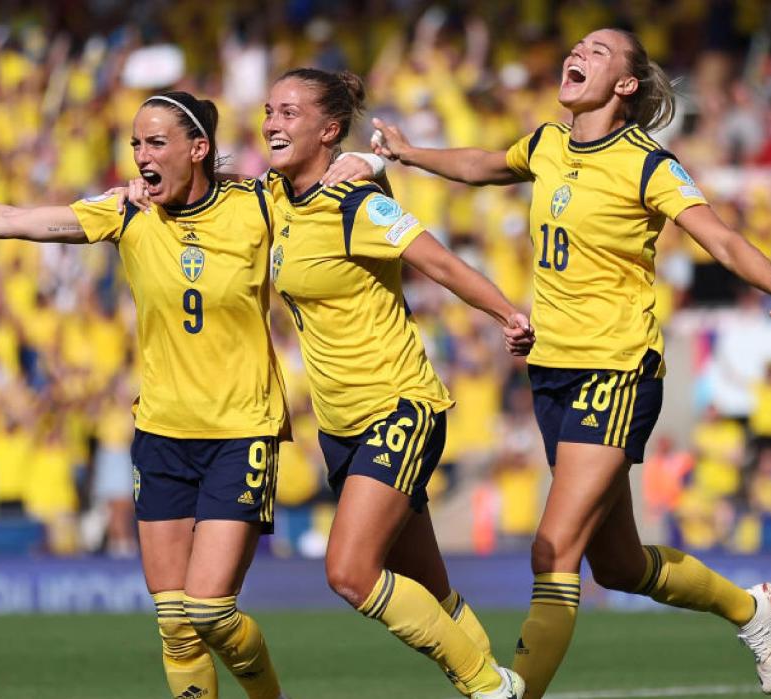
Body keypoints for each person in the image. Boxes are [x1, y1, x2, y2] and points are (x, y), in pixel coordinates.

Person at [371, 28, 771, 698]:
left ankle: (513, 692)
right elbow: (486, 164)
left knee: (552, 547)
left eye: (598, 51)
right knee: (617, 564)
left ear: (625, 85)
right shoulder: (549, 143)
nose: (577, 54)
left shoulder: (648, 163)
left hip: (615, 371)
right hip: (552, 371)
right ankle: (752, 607)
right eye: (577, 46)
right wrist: (411, 154)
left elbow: (720, 237)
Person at [0, 92, 294, 699]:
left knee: (209, 612)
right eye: (135, 143)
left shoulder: (257, 205)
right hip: (161, 433)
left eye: (156, 142)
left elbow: (332, 188)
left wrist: (372, 164)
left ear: (198, 149)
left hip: (241, 430)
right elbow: (14, 220)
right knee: (175, 627)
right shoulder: (126, 215)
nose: (140, 155)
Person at [263, 67, 532, 699]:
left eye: (288, 112)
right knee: (432, 591)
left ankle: (489, 689)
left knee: (352, 574)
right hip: (338, 427)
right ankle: (498, 683)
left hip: (398, 409)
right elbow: (213, 187)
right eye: (269, 110)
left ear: (328, 129)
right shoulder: (274, 197)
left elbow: (438, 260)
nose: (272, 122)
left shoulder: (356, 204)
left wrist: (508, 315)